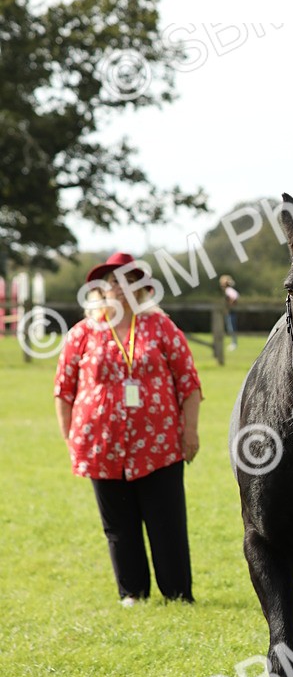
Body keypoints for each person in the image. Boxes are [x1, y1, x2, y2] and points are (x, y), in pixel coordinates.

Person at [54, 252, 202, 606]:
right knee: (119, 525)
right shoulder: (82, 333)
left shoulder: (161, 327)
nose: (119, 287)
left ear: (141, 288)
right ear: (101, 290)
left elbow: (189, 382)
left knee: (167, 522)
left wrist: (190, 431)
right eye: (112, 281)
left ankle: (177, 594)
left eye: (128, 280)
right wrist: (70, 437)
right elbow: (63, 389)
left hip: (159, 444)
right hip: (101, 446)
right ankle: (132, 593)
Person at [219, 275, 239, 350]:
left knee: (231, 328)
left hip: (231, 312)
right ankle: (233, 343)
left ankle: (234, 343)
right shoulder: (229, 290)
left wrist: (230, 305)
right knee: (231, 327)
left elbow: (235, 297)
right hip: (230, 312)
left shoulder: (228, 290)